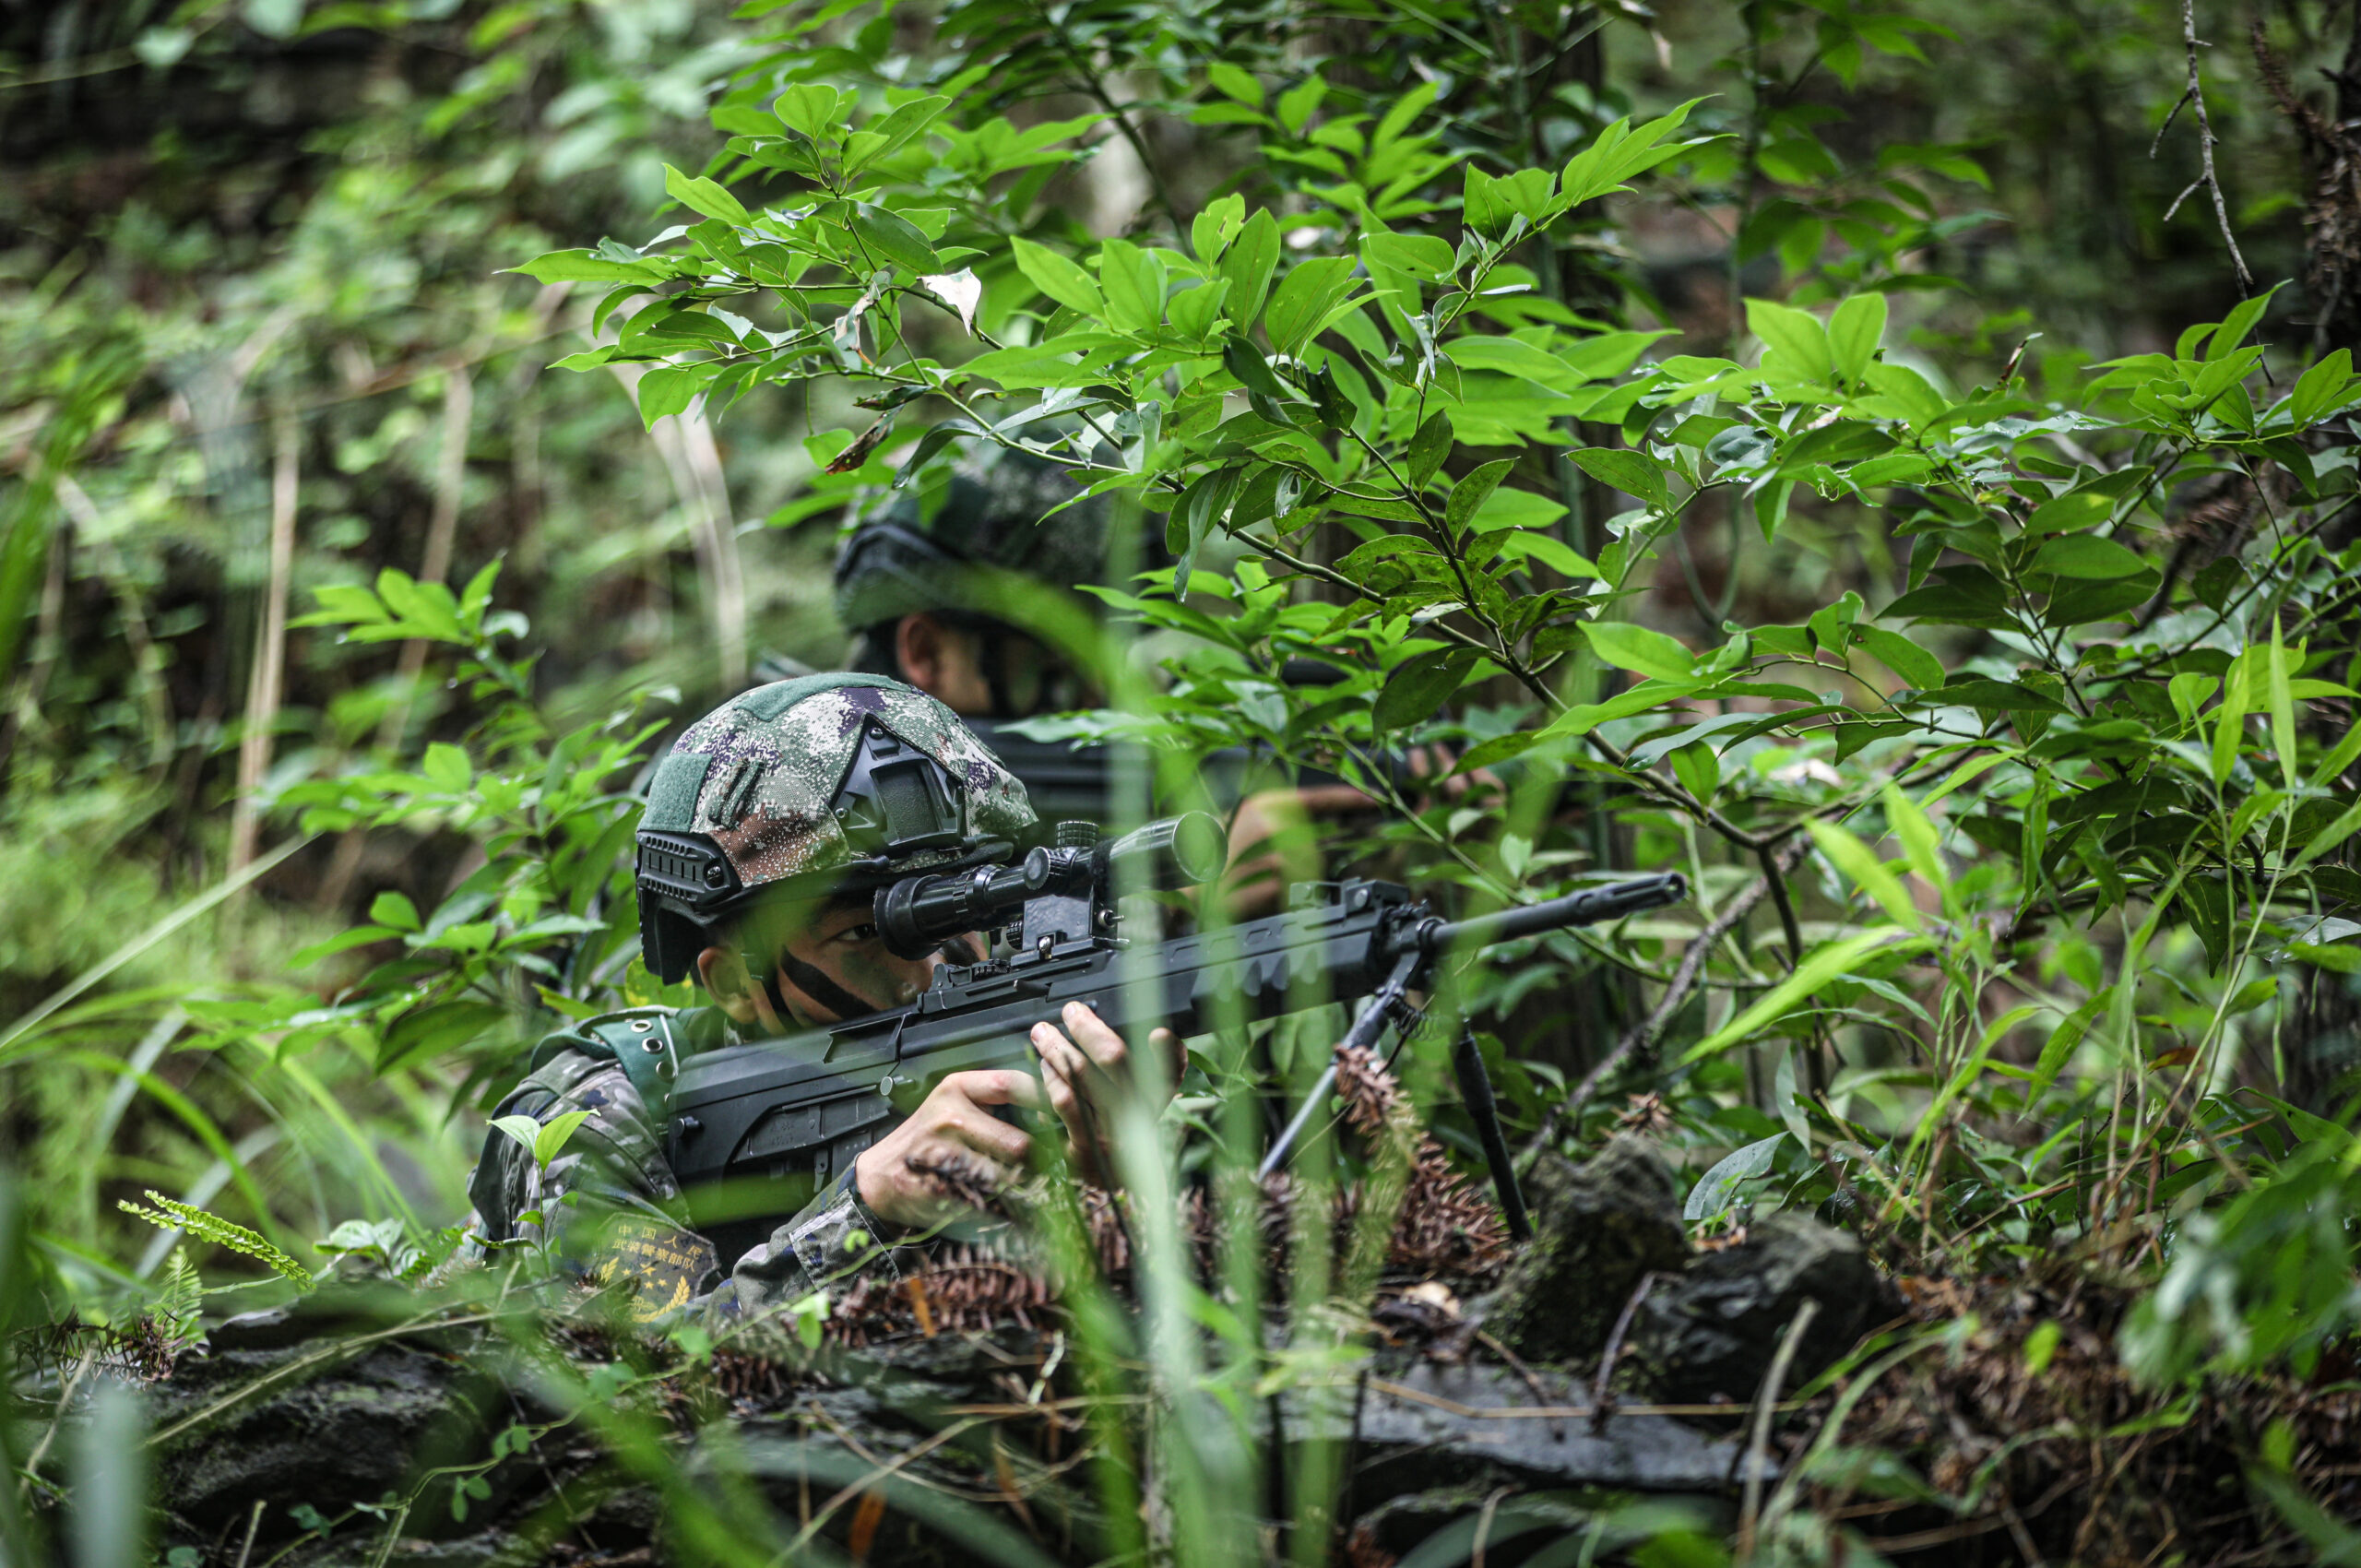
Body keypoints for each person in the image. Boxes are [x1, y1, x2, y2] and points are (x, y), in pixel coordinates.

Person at [467, 673, 1169, 1318]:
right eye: (867, 932)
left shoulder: (1026, 1071)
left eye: (965, 911)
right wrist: (865, 1212)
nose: (928, 969)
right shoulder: (601, 1114)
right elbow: (638, 1390)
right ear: (735, 982)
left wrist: (1097, 1200)